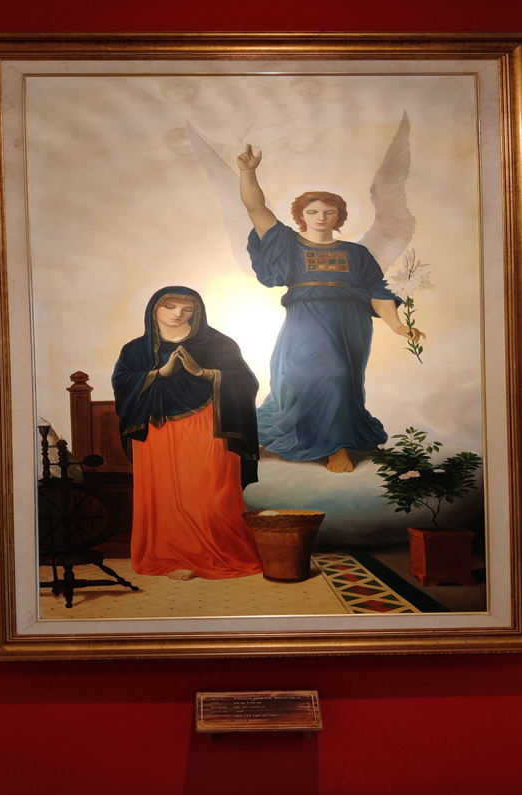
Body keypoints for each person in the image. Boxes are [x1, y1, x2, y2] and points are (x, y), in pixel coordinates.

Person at [236, 145, 426, 473]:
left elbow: (376, 291)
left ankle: (336, 444)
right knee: (309, 378)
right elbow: (256, 207)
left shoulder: (357, 253)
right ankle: (328, 444)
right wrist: (248, 172)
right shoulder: (286, 243)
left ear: (339, 216)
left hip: (350, 323)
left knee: (343, 378)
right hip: (306, 320)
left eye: (329, 211)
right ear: (301, 216)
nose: (321, 217)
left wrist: (397, 325)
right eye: (313, 212)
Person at [112, 287, 263, 581]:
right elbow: (122, 382)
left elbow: (246, 382)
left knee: (211, 493)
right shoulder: (136, 349)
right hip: (157, 429)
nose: (178, 314)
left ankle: (213, 554)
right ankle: (172, 555)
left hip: (208, 425)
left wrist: (202, 372)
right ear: (154, 309)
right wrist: (159, 373)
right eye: (169, 306)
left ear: (198, 312)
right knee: (165, 495)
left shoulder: (219, 344)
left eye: (187, 309)